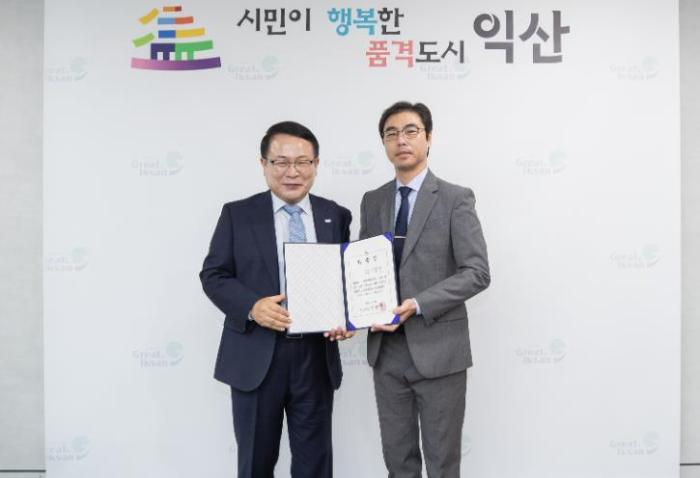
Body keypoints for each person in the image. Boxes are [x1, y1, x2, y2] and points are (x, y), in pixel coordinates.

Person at [200, 121, 353, 478]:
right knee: (256, 463)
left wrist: (347, 316)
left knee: (315, 465)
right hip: (256, 356)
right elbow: (214, 275)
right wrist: (252, 307)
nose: (292, 172)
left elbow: (345, 278)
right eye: (281, 162)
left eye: (302, 162)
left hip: (315, 357)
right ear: (263, 164)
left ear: (316, 164)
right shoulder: (237, 214)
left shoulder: (335, 215)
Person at [359, 102, 490, 477]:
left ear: (428, 138)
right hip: (387, 351)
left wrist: (418, 303)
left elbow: (477, 272)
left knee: (442, 462)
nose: (401, 140)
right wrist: (358, 311)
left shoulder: (455, 198)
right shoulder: (373, 200)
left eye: (411, 131)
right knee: (397, 461)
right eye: (391, 133)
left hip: (439, 351)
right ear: (384, 144)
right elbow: (362, 266)